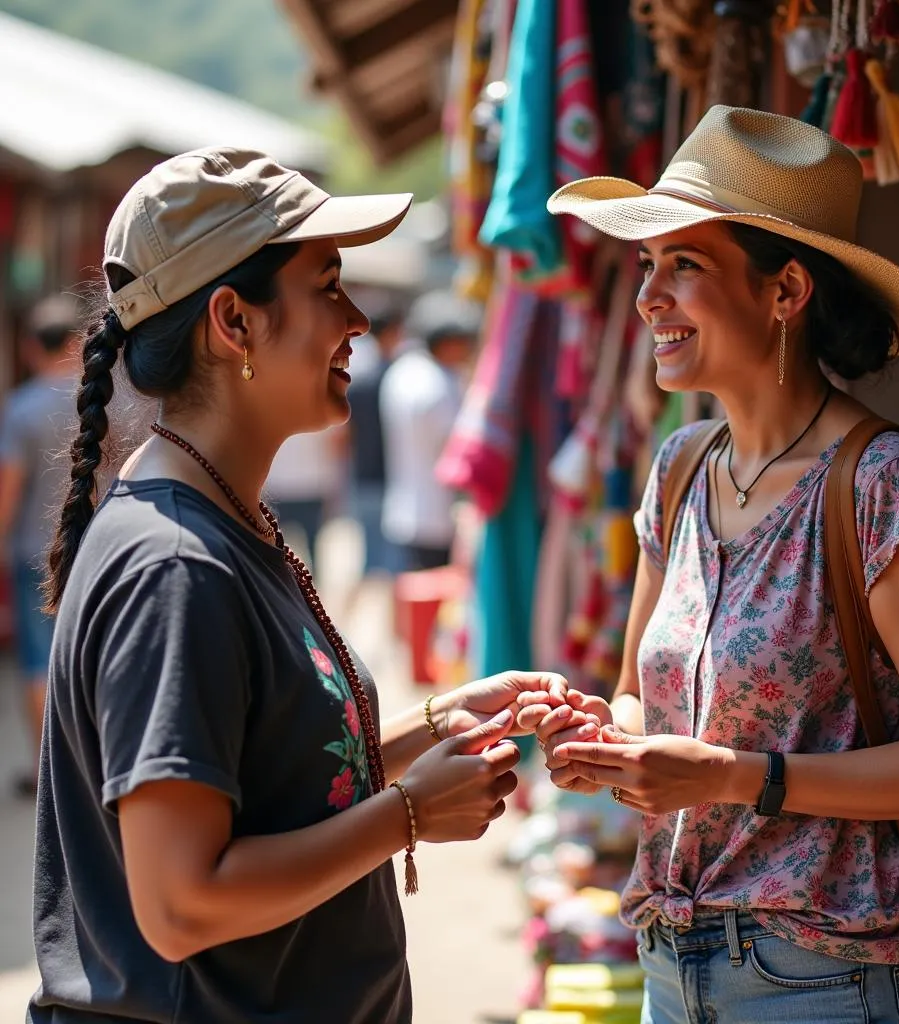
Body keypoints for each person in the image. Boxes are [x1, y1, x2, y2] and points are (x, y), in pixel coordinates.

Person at [30, 147, 578, 1024]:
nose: (357, 317)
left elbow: (278, 771)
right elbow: (183, 905)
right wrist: (406, 814)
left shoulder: (221, 514)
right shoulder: (174, 563)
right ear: (233, 322)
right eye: (327, 285)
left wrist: (440, 721)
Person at [518, 106, 899, 1022]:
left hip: (829, 979)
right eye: (647, 267)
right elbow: (639, 693)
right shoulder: (680, 472)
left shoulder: (883, 489)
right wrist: (604, 737)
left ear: (785, 291)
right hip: (671, 960)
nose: (648, 298)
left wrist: (732, 775)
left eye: (685, 265)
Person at [0, 295, 80, 798]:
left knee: (38, 660)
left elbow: (9, 487)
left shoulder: (21, 407)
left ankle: (45, 767)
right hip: (96, 548)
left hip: (34, 551)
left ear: (33, 348)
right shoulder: (112, 397)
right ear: (77, 343)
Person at [379, 289, 482, 572]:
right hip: (435, 516)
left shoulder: (402, 370)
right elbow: (457, 448)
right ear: (446, 343)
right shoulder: (436, 385)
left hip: (404, 509)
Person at [344, 294, 405, 576]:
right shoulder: (402, 379)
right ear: (393, 332)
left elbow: (346, 435)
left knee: (371, 559)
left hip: (363, 475)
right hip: (395, 479)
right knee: (394, 561)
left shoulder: (359, 382)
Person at [264, 426, 343, 578]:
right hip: (301, 486)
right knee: (305, 550)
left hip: (288, 487)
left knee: (276, 551)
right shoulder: (316, 407)